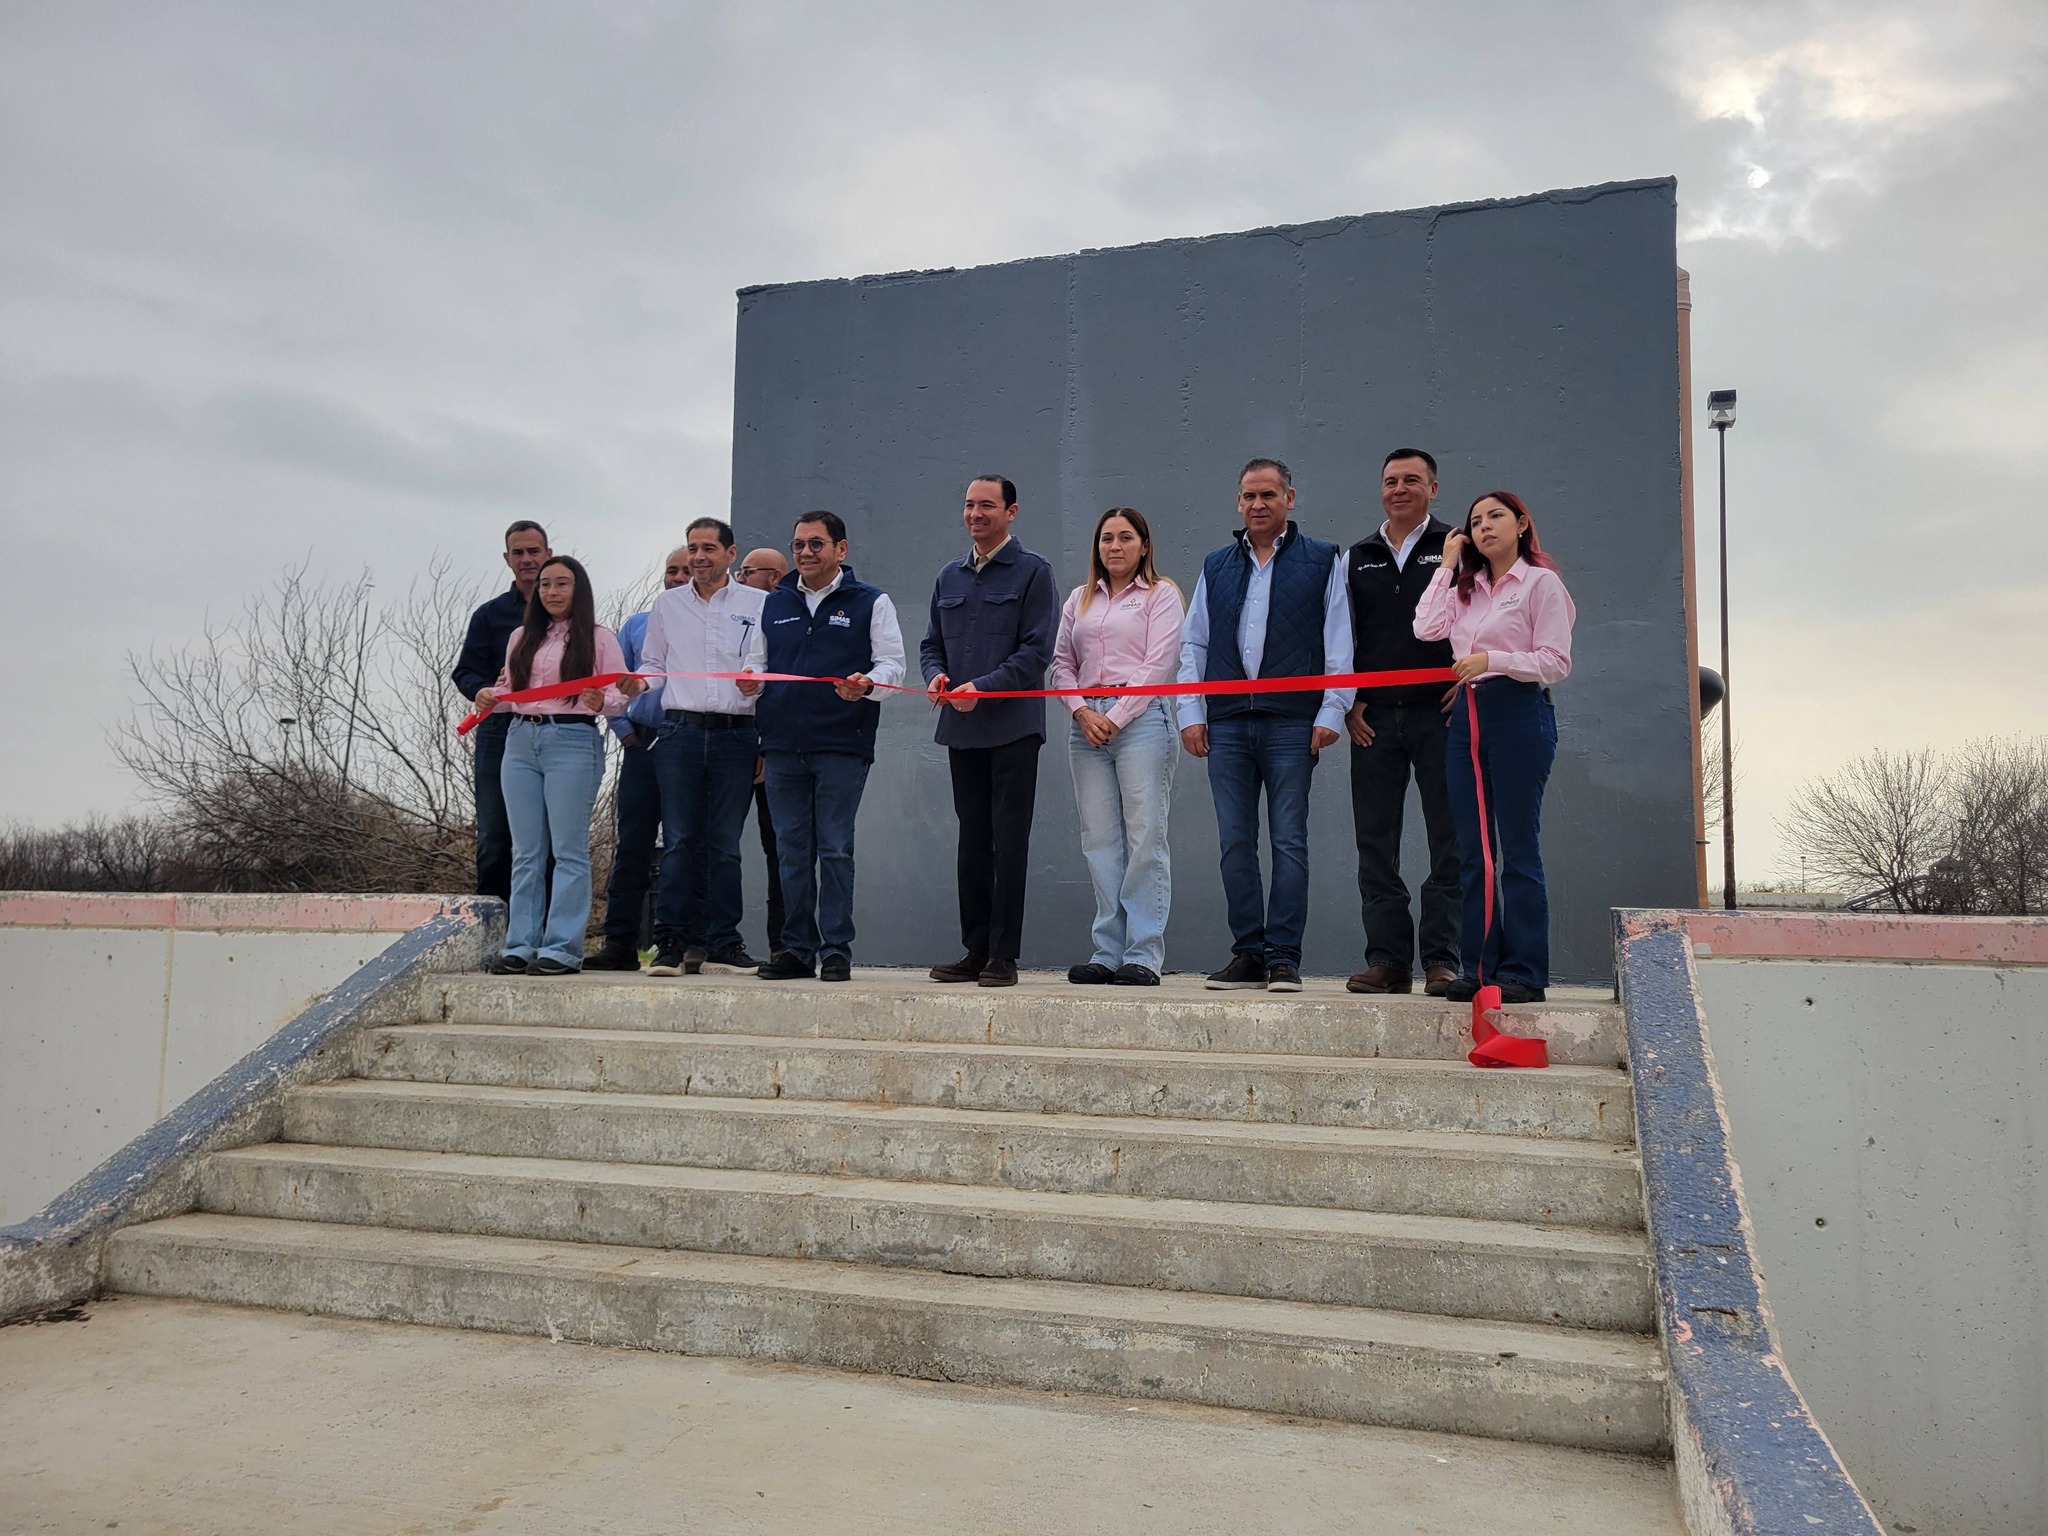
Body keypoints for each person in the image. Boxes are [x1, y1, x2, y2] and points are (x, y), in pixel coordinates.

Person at [1178, 459, 1352, 993]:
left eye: (1269, 495)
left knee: (1288, 841)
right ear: (1238, 502)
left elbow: (1339, 637)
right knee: (1234, 843)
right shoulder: (1215, 565)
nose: (1258, 504)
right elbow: (1195, 644)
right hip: (1227, 725)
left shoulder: (1324, 560)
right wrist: (1191, 713)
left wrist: (1332, 709)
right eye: (1249, 495)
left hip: (1290, 725)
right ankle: (1248, 954)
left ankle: (1283, 958)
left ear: (1290, 498)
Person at [1413, 490, 1576, 1004]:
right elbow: (1425, 628)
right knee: (1474, 850)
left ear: (1522, 523)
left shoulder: (1540, 583)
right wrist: (1448, 564)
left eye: (1496, 517)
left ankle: (1524, 971)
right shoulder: (1467, 587)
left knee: (1518, 849)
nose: (1484, 527)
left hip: (1518, 711)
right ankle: (1480, 966)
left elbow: (1555, 660)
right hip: (1469, 715)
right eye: (1475, 521)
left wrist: (1494, 660)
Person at [737, 512, 906, 982]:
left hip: (841, 744)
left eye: (816, 544)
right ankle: (796, 950)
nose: (806, 552)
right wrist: (748, 685)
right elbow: (756, 665)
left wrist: (867, 685)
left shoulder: (871, 601)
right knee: (791, 850)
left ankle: (836, 951)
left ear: (841, 549)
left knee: (833, 849)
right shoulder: (773, 603)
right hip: (782, 747)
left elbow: (892, 666)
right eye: (798, 545)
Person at [920, 475, 1060, 988]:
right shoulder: (949, 576)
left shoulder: (1033, 573)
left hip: (1013, 730)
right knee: (972, 841)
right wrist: (934, 675)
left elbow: (1035, 653)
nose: (975, 514)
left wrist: (983, 686)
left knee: (1009, 840)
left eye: (986, 505)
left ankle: (1004, 953)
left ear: (1011, 511)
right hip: (962, 730)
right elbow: (931, 642)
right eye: (969, 505)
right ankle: (975, 948)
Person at [471, 556, 640, 975]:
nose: (552, 592)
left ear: (577, 589)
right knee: (526, 850)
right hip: (520, 739)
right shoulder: (519, 638)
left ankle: (562, 947)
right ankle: (521, 944)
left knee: (568, 850)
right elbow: (511, 689)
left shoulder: (598, 638)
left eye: (562, 584)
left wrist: (607, 702)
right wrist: (488, 696)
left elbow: (622, 691)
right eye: (546, 584)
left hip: (572, 740)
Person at [1343, 449, 1463, 997]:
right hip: (1373, 719)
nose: (1400, 488)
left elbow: (1475, 619)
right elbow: (1343, 637)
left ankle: (1442, 958)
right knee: (1375, 841)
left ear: (1433, 489)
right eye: (1390, 480)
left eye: (1412, 480)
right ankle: (1388, 959)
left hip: (1438, 713)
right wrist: (1350, 699)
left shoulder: (1456, 548)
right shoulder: (1357, 555)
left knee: (1449, 836)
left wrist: (1464, 685)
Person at [1050, 508, 1184, 987]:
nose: (1115, 546)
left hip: (1141, 722)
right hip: (1086, 727)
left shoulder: (1161, 594)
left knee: (1145, 837)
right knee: (1100, 842)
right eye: (1106, 538)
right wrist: (1082, 712)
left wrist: (1115, 715)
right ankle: (1106, 951)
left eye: (1126, 537)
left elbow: (1157, 665)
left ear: (1144, 545)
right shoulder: (1078, 600)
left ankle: (1143, 954)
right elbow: (1061, 664)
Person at [638, 517, 768, 978]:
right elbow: (653, 666)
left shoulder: (759, 604)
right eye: (692, 548)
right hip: (680, 734)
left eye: (709, 548)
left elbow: (765, 666)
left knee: (725, 844)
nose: (698, 557)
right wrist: (633, 683)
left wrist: (754, 686)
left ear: (731, 555)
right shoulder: (667, 605)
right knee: (678, 841)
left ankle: (722, 944)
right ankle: (669, 942)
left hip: (737, 735)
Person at [585, 545, 691, 971]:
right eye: (671, 570)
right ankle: (620, 942)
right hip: (641, 746)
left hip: (687, 743)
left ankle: (675, 940)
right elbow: (614, 686)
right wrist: (624, 732)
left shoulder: (711, 629)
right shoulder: (637, 626)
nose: (678, 577)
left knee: (684, 845)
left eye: (686, 571)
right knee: (632, 845)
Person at [452, 520, 551, 902]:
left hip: (552, 729)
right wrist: (480, 691)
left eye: (534, 551)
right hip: (499, 730)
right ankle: (492, 924)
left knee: (548, 833)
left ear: (549, 554)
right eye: (518, 552)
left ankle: (541, 930)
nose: (527, 559)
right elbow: (465, 671)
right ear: (507, 558)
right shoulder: (489, 615)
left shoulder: (567, 616)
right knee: (495, 832)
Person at [735, 546, 793, 958]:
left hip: (775, 747)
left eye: (747, 572)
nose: (739, 579)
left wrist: (766, 745)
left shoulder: (787, 617)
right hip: (729, 742)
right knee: (717, 843)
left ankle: (783, 944)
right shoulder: (728, 615)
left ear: (774, 578)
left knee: (782, 848)